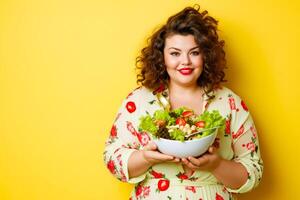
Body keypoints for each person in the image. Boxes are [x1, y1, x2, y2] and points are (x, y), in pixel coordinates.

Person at [103, 4, 263, 200]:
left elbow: (254, 172)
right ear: (161, 57)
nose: (185, 61)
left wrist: (216, 165)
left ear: (206, 56)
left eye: (194, 52)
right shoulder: (138, 100)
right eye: (175, 53)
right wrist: (145, 157)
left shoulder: (230, 102)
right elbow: (112, 160)